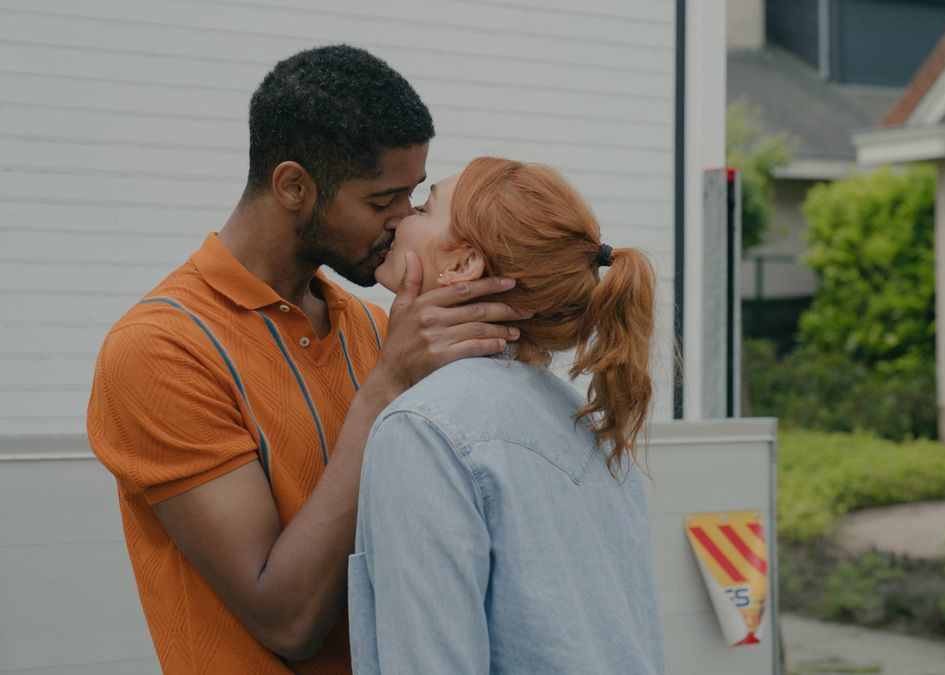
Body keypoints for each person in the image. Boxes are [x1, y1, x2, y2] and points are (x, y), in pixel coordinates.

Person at [86, 46, 524, 674]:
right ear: (294, 186)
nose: (403, 224)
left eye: (415, 198)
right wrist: (387, 387)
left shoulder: (376, 328)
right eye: (383, 202)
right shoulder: (160, 350)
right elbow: (285, 618)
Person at [348, 157, 664, 674]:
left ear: (462, 265)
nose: (400, 217)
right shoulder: (589, 424)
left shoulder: (424, 430)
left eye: (424, 208)